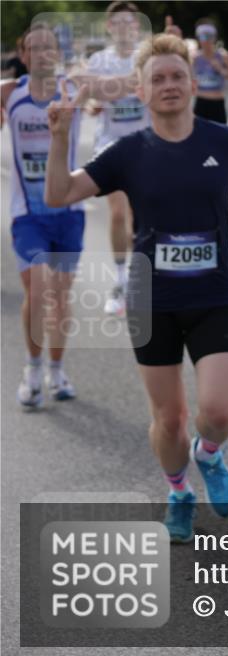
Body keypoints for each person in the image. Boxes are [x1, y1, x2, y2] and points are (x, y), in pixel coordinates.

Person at [45, 33, 228, 543]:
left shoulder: (223, 141)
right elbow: (60, 193)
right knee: (169, 420)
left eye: (177, 76)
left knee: (217, 414)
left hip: (214, 297)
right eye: (157, 78)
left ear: (191, 82)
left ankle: (210, 456)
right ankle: (178, 490)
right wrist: (59, 135)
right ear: (140, 90)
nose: (169, 85)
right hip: (151, 300)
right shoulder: (127, 151)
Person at [1, 25, 85, 408]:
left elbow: (123, 84)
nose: (41, 55)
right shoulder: (10, 94)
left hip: (68, 212)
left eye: (48, 48)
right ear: (23, 55)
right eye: (33, 48)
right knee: (37, 291)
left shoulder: (74, 89)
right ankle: (32, 368)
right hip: (27, 214)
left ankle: (56, 369)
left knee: (60, 297)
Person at [84, 1, 150, 317]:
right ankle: (121, 278)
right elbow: (91, 93)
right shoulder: (100, 60)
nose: (125, 27)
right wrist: (94, 102)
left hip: (146, 144)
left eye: (130, 22)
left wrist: (108, 91)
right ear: (110, 27)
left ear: (136, 26)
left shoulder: (146, 56)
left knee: (143, 216)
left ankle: (141, 276)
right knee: (118, 212)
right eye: (118, 22)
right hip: (111, 144)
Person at [192, 18, 228, 124]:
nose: (206, 40)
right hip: (200, 104)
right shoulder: (194, 58)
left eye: (209, 36)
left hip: (218, 104)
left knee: (220, 139)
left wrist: (222, 70)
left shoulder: (224, 56)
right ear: (198, 38)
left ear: (214, 37)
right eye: (203, 36)